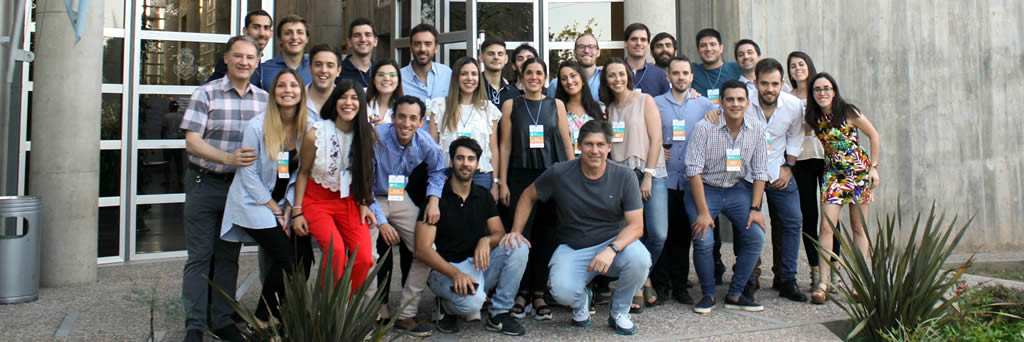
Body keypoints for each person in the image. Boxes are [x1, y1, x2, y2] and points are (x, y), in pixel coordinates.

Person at [504, 120, 651, 335]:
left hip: (613, 245)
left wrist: (611, 250)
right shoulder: (560, 173)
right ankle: (582, 300)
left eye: (601, 145)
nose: (595, 150)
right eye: (589, 144)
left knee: (640, 260)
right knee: (561, 291)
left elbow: (637, 226)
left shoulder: (624, 176)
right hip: (575, 246)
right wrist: (516, 231)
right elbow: (528, 195)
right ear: (578, 145)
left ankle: (619, 311)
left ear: (609, 147)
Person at [180, 35, 267, 342]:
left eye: (250, 57)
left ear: (257, 62)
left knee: (228, 256)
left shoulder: (264, 100)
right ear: (227, 59)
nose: (244, 62)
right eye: (238, 56)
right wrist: (227, 157)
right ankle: (194, 322)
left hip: (240, 191)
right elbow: (192, 141)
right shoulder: (207, 93)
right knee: (200, 256)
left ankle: (222, 320)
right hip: (206, 184)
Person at [702, 59, 808, 302]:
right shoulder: (744, 103)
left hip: (778, 170)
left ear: (782, 83)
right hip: (747, 175)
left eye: (774, 84)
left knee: (793, 221)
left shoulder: (793, 106)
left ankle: (787, 279)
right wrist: (712, 111)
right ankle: (748, 278)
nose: (769, 89)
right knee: (746, 224)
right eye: (764, 83)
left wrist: (789, 166)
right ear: (755, 83)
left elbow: (795, 137)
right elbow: (725, 119)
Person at [220, 69, 314, 328]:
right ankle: (263, 318)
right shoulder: (257, 125)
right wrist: (273, 207)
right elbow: (248, 174)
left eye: (293, 85)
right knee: (286, 257)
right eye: (281, 85)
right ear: (273, 93)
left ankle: (283, 313)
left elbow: (300, 174)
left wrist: (290, 207)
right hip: (253, 202)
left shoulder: (310, 125)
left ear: (301, 91)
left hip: (285, 203)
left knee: (304, 257)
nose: (287, 90)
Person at [416, 137, 529, 336]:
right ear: (451, 162)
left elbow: (499, 233)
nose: (465, 164)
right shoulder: (436, 198)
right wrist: (455, 274)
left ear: (477, 164)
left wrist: (485, 240)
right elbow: (423, 250)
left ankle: (499, 313)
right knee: (472, 306)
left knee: (517, 245)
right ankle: (445, 306)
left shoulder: (483, 195)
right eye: (460, 158)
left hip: (475, 265)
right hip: (444, 270)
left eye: (470, 159)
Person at [498, 58, 574, 321]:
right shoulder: (511, 105)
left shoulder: (557, 105)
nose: (533, 77)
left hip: (552, 176)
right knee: (521, 237)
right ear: (521, 73)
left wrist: (571, 180)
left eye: (539, 73)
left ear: (545, 77)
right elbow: (505, 146)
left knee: (546, 236)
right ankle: (521, 292)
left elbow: (566, 144)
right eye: (529, 72)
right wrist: (502, 181)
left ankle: (539, 293)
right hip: (520, 177)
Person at [685, 80, 768, 314]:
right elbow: (693, 170)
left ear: (747, 103)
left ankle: (736, 293)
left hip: (736, 190)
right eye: (729, 99)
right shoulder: (704, 128)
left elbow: (761, 171)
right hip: (704, 189)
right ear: (720, 102)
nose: (735, 104)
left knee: (755, 236)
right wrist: (702, 213)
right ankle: (708, 294)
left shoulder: (757, 129)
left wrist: (756, 208)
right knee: (704, 239)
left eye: (740, 99)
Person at [369, 95, 447, 336]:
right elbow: (360, 184)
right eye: (401, 117)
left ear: (421, 121)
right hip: (371, 198)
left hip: (398, 196)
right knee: (367, 255)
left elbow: (438, 172)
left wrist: (434, 200)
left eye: (413, 118)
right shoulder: (376, 138)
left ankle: (406, 313)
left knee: (425, 250)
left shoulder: (425, 142)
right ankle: (367, 314)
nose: (406, 123)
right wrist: (381, 222)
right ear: (392, 118)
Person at [290, 79, 378, 290]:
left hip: (350, 201)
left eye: (355, 98)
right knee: (336, 253)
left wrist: (364, 203)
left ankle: (344, 310)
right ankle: (326, 311)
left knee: (365, 258)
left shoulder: (368, 135)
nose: (348, 103)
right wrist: (297, 211)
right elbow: (302, 173)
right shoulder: (316, 133)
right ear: (335, 101)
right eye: (343, 97)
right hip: (317, 200)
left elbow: (364, 173)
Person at [805, 73, 881, 304]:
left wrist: (873, 167)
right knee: (826, 228)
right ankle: (824, 282)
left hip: (857, 171)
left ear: (834, 90)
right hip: (834, 175)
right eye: (817, 89)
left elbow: (873, 135)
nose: (822, 93)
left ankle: (860, 281)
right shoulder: (813, 117)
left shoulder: (849, 112)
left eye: (826, 88)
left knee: (859, 227)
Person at [599, 57, 667, 311]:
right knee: (630, 232)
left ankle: (641, 274)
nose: (617, 79)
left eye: (621, 74)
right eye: (611, 75)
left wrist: (648, 175)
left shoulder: (645, 100)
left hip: (650, 172)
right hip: (621, 177)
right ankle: (640, 281)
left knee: (658, 233)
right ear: (606, 80)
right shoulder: (607, 109)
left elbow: (657, 138)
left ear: (628, 75)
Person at [650, 56, 718, 305]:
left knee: (682, 237)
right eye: (675, 73)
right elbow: (647, 134)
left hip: (691, 182)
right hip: (663, 179)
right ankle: (660, 284)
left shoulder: (705, 105)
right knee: (661, 234)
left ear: (691, 77)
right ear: (668, 76)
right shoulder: (655, 103)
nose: (680, 77)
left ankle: (680, 285)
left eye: (685, 73)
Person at [787, 51, 837, 289]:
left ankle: (833, 269)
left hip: (827, 159)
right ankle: (816, 270)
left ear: (809, 66)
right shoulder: (787, 97)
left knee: (830, 219)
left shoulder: (822, 91)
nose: (798, 68)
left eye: (801, 64)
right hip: (803, 160)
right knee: (808, 217)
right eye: (793, 65)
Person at [429, 57, 503, 195]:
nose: (469, 78)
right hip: (447, 174)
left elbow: (494, 148)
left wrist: (496, 182)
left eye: (474, 74)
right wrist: (435, 178)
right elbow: (433, 147)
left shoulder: (488, 109)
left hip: (481, 175)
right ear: (456, 77)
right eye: (464, 74)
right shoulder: (439, 106)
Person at [401, 23, 452, 134]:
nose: (422, 49)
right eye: (417, 44)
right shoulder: (399, 78)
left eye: (428, 44)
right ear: (411, 48)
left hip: (442, 144)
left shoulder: (447, 74)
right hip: (410, 144)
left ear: (436, 48)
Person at [206, 10, 273, 84]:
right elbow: (213, 90)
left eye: (266, 28)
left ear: (271, 33)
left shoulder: (265, 66)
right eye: (256, 27)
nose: (262, 33)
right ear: (245, 31)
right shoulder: (231, 62)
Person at [554, 60, 606, 155]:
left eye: (573, 76)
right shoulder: (557, 111)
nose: (569, 81)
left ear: (582, 78)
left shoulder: (600, 108)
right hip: (568, 165)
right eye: (564, 78)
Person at [252, 15, 312, 90]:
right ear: (280, 38)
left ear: (307, 39)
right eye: (288, 33)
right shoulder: (261, 72)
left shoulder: (316, 67)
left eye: (300, 32)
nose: (294, 37)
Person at [690, 28, 743, 102]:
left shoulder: (737, 68)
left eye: (713, 44)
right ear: (698, 50)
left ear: (721, 48)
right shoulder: (692, 70)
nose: (708, 49)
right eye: (703, 45)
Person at [547, 33, 602, 102]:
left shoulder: (607, 79)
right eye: (581, 47)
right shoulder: (556, 84)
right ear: (574, 53)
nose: (586, 51)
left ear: (598, 52)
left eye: (591, 46)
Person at [623, 23, 670, 97]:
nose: (638, 43)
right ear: (625, 43)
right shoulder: (615, 72)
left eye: (643, 40)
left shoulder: (659, 75)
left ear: (648, 45)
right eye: (634, 39)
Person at [480, 37, 522, 107]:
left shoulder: (513, 93)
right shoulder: (473, 87)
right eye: (491, 54)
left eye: (500, 54)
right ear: (481, 58)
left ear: (506, 59)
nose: (496, 57)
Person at [338, 17, 377, 88]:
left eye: (368, 35)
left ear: (375, 41)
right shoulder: (338, 72)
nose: (363, 39)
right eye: (357, 35)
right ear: (349, 42)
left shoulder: (381, 70)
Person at [306, 44, 341, 121]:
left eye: (330, 66)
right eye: (318, 65)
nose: (323, 70)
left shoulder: (346, 103)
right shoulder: (297, 99)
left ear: (338, 71)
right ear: (310, 68)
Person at [367, 59, 403, 125]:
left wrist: (384, 130)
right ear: (373, 79)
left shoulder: (404, 108)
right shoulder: (361, 102)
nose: (386, 78)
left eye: (392, 75)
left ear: (398, 81)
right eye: (381, 75)